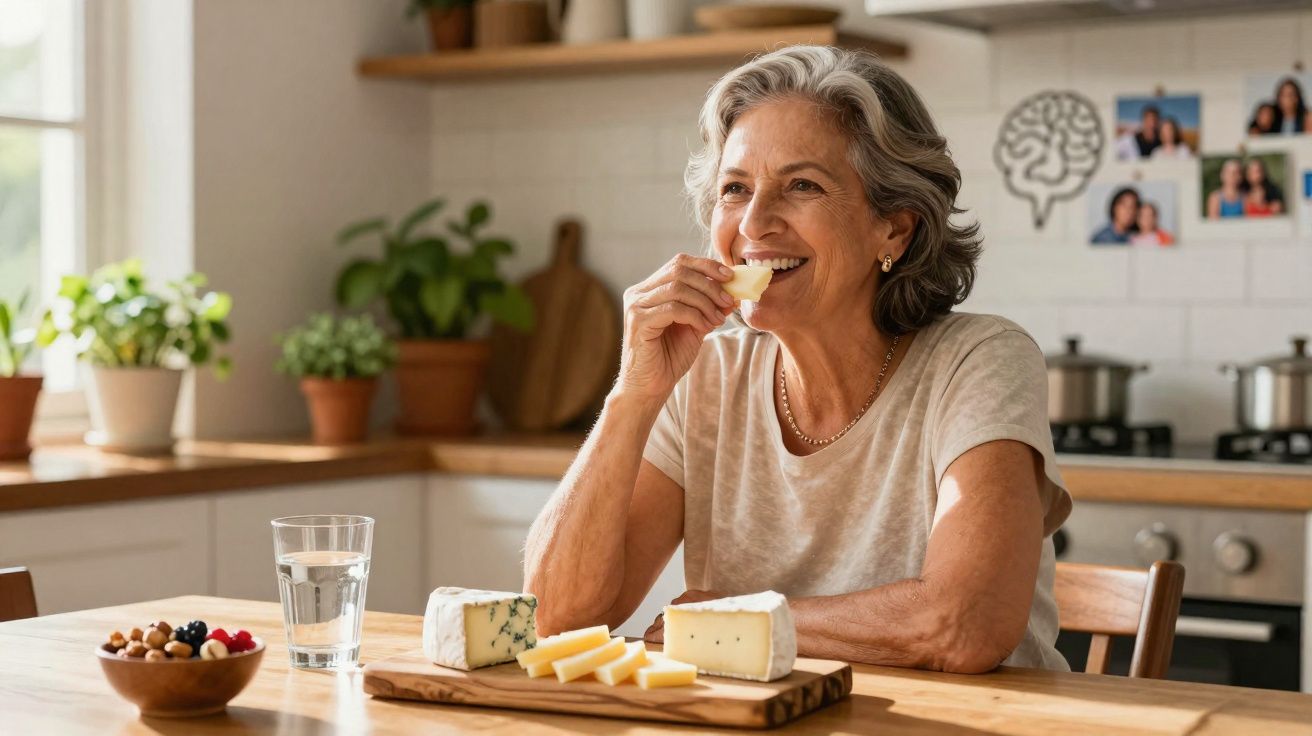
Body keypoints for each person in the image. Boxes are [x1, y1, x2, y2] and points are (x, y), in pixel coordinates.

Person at [523, 46, 1072, 673]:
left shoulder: (978, 360)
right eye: (735, 189)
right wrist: (632, 393)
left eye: (801, 186)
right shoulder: (705, 375)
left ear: (893, 228)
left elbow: (962, 625)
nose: (755, 222)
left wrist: (736, 614)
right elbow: (554, 617)